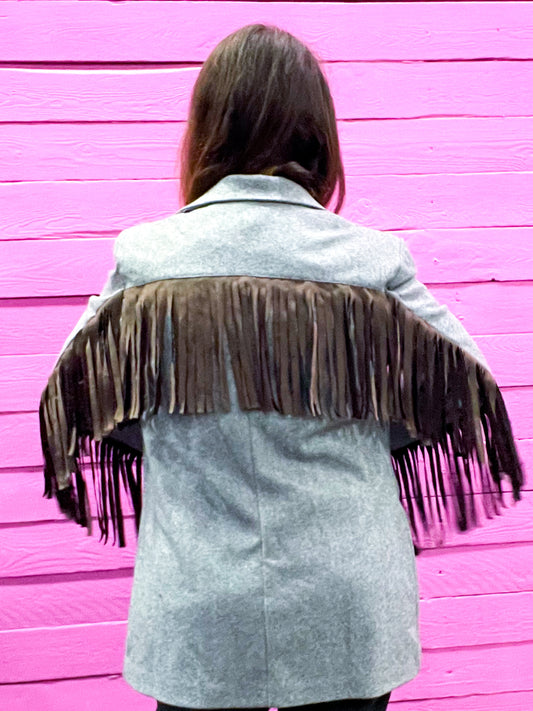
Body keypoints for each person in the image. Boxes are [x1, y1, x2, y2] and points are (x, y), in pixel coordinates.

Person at [40, 24, 523, 711]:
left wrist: (193, 437)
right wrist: (352, 429)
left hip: (200, 597)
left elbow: (79, 400)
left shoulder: (149, 259)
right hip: (346, 598)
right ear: (317, 137)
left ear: (208, 132)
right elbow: (462, 391)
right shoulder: (370, 262)